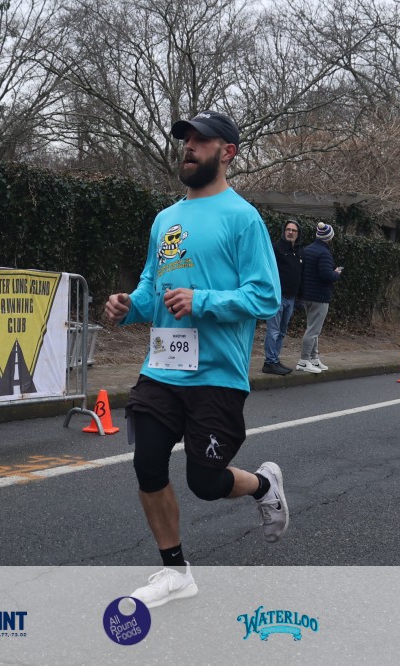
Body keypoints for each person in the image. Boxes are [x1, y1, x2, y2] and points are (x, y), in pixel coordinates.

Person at [105, 110, 287, 609]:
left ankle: (263, 484)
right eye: (185, 139)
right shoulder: (165, 219)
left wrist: (202, 300)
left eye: (201, 140)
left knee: (205, 483)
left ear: (227, 152)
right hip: (162, 367)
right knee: (147, 464)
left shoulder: (242, 217)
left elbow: (266, 295)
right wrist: (128, 306)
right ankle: (175, 571)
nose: (189, 146)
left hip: (216, 374)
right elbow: (153, 287)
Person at [296, 222, 341, 373]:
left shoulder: (307, 250)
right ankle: (304, 360)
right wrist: (336, 273)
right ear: (329, 237)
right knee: (313, 331)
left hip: (307, 295)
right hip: (320, 297)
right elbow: (326, 275)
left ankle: (314, 359)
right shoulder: (324, 253)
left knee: (312, 328)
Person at [262, 219, 302, 375]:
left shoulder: (299, 251)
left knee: (282, 332)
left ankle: (275, 359)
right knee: (273, 331)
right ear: (284, 231)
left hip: (291, 298)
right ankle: (269, 362)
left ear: (298, 234)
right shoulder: (276, 248)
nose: (290, 232)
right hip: (277, 297)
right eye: (288, 229)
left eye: (294, 230)